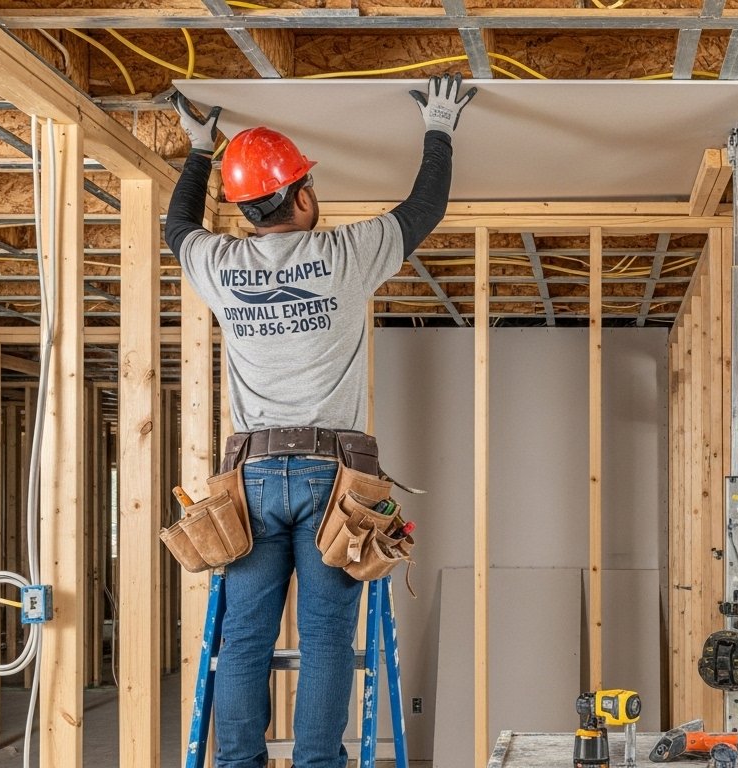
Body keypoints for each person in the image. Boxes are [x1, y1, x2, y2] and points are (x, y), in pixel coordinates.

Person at [167, 74, 477, 768]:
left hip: (248, 479)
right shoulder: (344, 256)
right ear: (302, 197)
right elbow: (423, 209)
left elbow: (177, 229)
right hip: (330, 478)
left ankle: (238, 763)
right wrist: (439, 126)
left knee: (245, 639)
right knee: (327, 637)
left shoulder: (219, 263)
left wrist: (198, 151)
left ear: (247, 210)